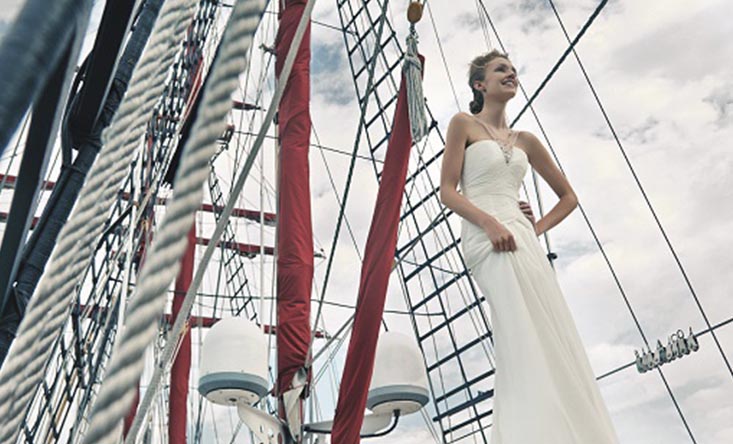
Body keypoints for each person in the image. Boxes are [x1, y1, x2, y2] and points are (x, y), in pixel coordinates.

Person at [439, 49, 620, 443]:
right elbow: (448, 193)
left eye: (514, 70)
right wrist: (490, 223)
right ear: (479, 84)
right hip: (485, 234)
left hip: (521, 235)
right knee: (516, 328)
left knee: (550, 328)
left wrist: (533, 228)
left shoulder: (526, 140)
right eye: (500, 70)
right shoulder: (462, 125)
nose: (511, 74)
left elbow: (569, 197)